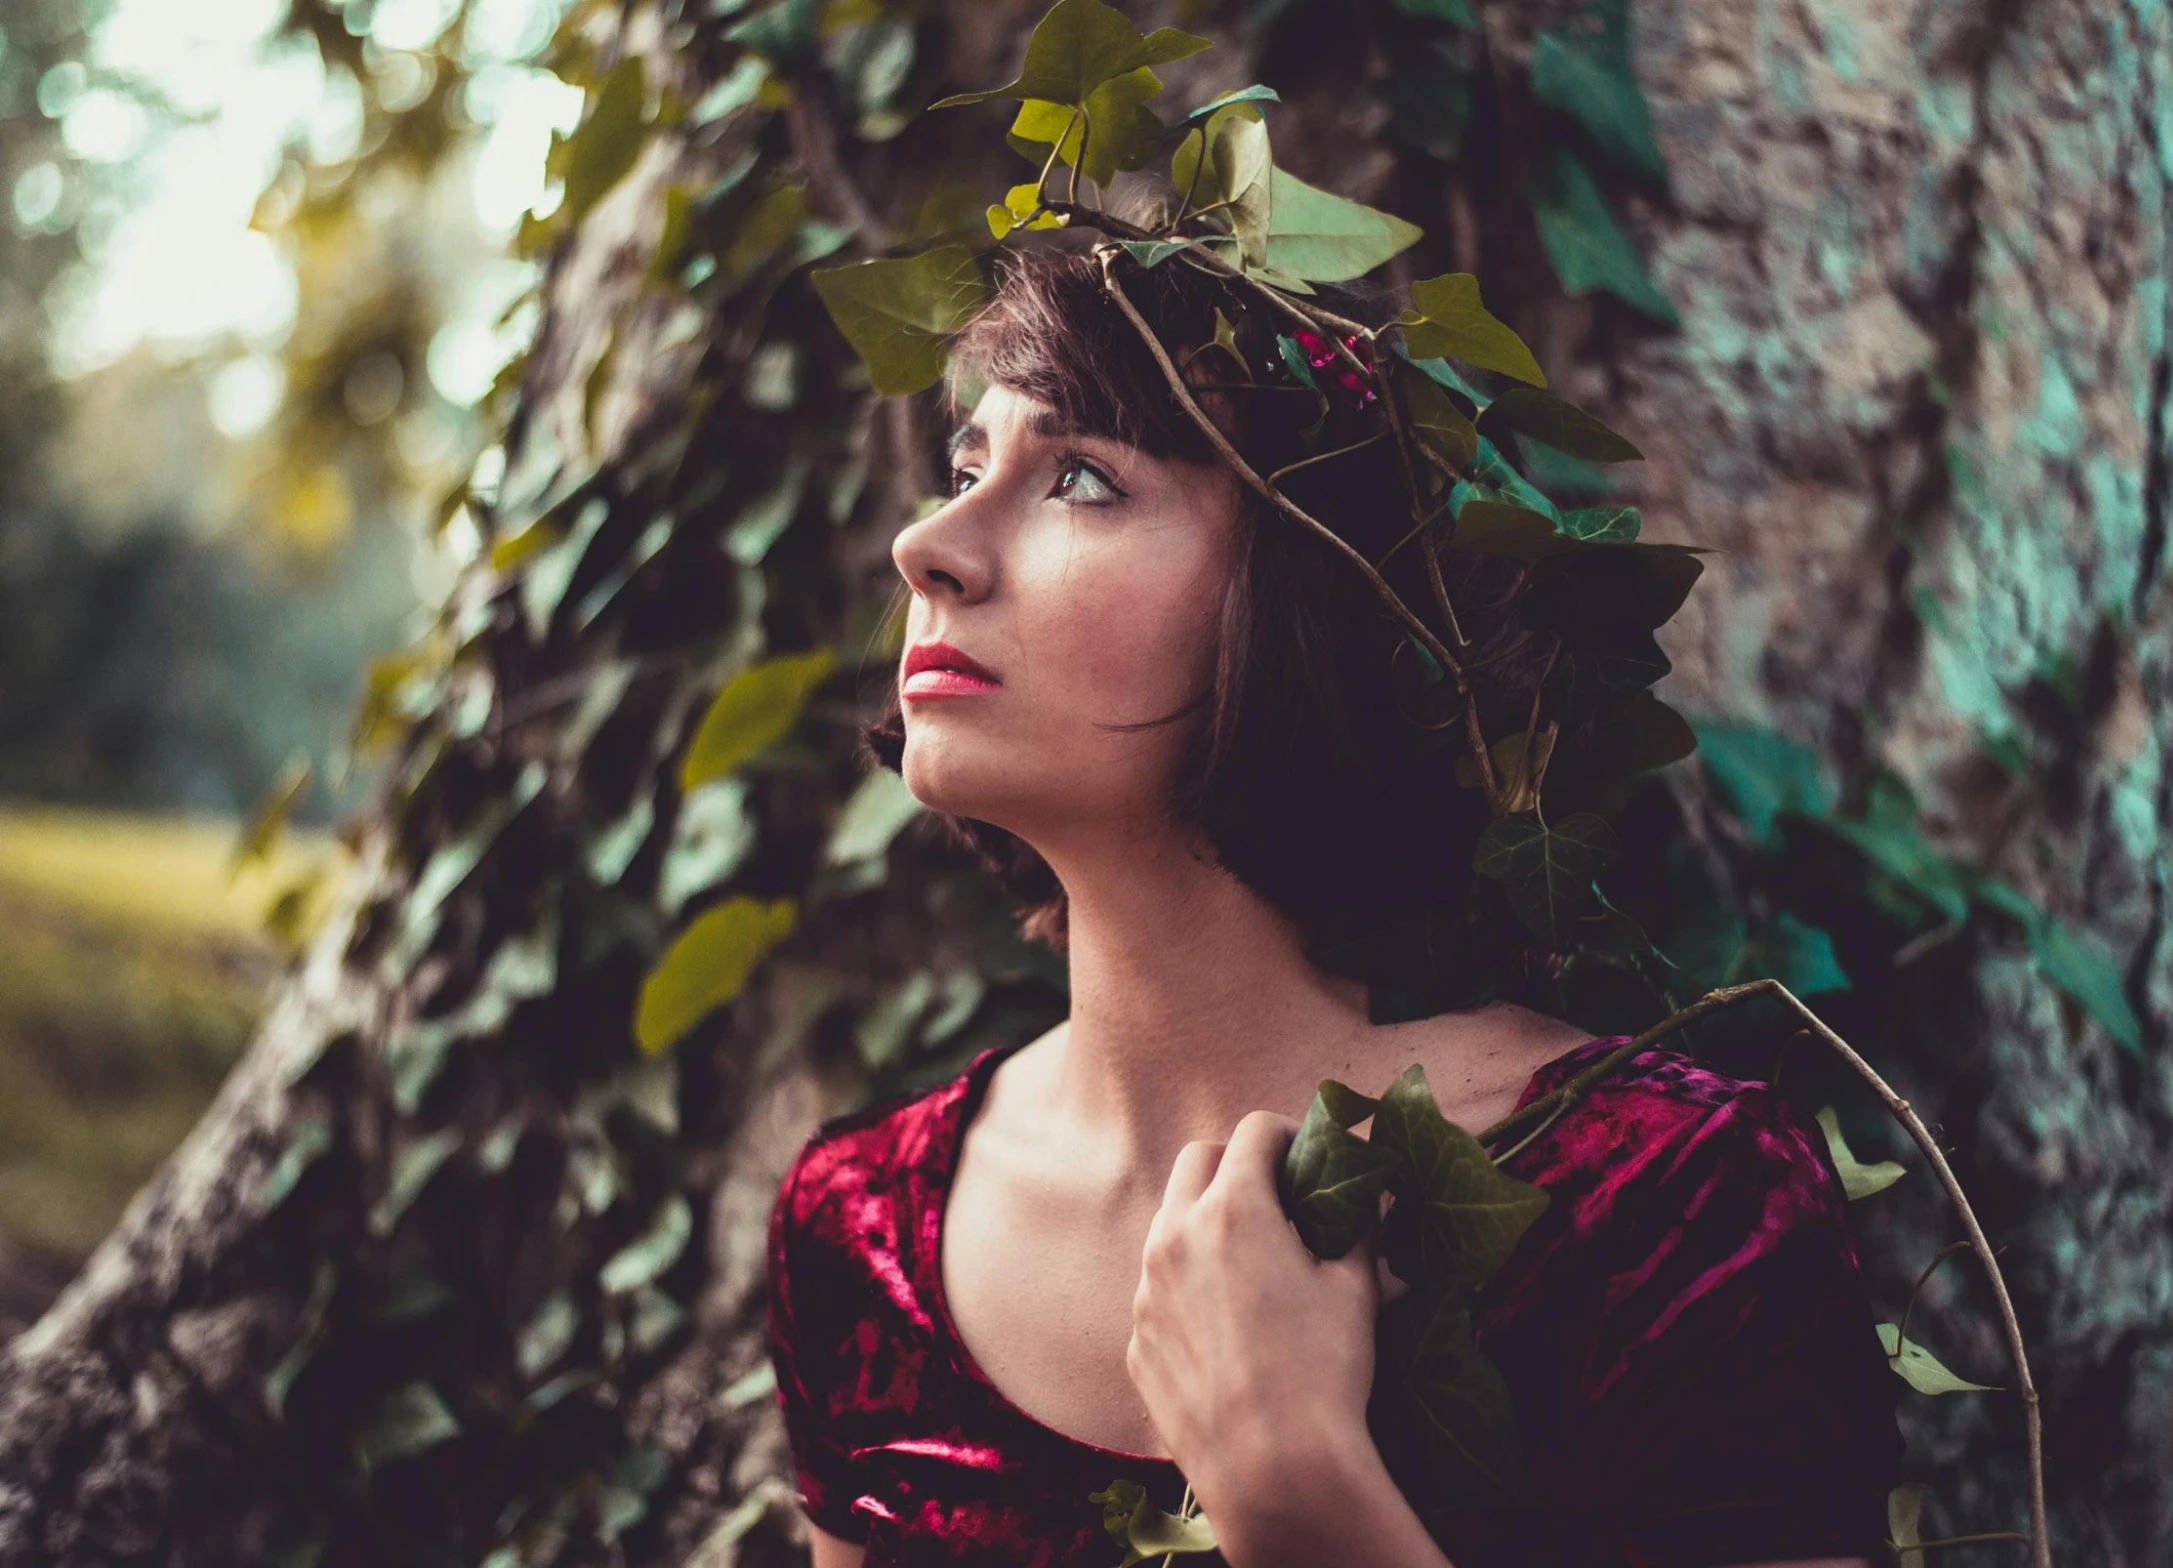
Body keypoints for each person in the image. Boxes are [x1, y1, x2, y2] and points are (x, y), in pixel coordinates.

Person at [763, 227, 1907, 1567]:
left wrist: (1298, 1494)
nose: (928, 545)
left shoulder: (1661, 1207)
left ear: (1304, 593)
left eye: (1078, 476)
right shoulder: (858, 1233)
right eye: (965, 468)